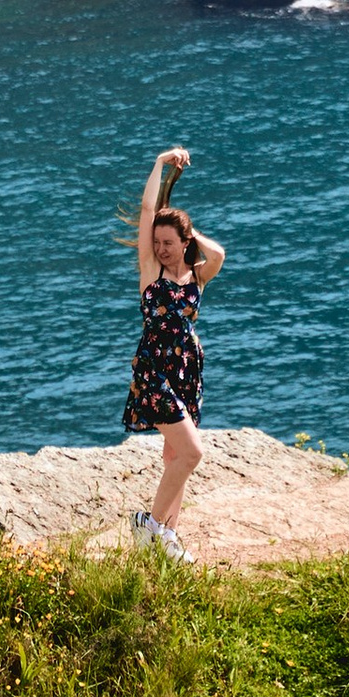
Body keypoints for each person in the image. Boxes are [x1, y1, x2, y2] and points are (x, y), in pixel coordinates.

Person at [124, 144, 223, 560]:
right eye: (157, 242)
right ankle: (149, 524)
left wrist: (191, 233)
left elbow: (219, 254)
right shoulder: (152, 273)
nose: (161, 248)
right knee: (192, 452)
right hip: (155, 371)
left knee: (174, 457)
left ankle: (166, 537)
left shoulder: (198, 275)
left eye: (169, 242)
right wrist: (159, 164)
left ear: (184, 243)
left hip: (187, 371)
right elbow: (149, 211)